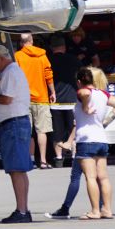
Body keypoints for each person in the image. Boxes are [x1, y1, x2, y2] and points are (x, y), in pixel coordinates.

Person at [0, 43, 32, 223]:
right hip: (16, 123)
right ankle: (24, 209)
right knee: (20, 170)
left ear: (0, 58)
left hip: (13, 125)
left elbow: (7, 99)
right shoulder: (12, 71)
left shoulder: (11, 72)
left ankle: (22, 210)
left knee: (16, 170)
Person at [74, 67, 115, 220]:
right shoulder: (103, 94)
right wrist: (107, 120)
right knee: (103, 177)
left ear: (79, 82)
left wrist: (85, 105)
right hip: (101, 138)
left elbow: (85, 92)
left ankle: (95, 210)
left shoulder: (82, 92)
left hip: (86, 139)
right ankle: (107, 209)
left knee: (90, 177)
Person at [14, 33, 56, 169]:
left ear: (21, 43)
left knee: (27, 131)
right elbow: (48, 75)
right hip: (42, 98)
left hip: (23, 99)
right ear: (32, 41)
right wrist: (53, 91)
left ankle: (30, 160)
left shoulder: (17, 56)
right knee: (41, 131)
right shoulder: (42, 56)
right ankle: (43, 161)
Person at [48, 35, 80, 167]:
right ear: (64, 47)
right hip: (72, 100)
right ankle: (74, 157)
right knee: (73, 129)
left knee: (57, 132)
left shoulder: (48, 61)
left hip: (54, 102)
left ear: (52, 47)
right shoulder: (74, 60)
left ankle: (59, 158)